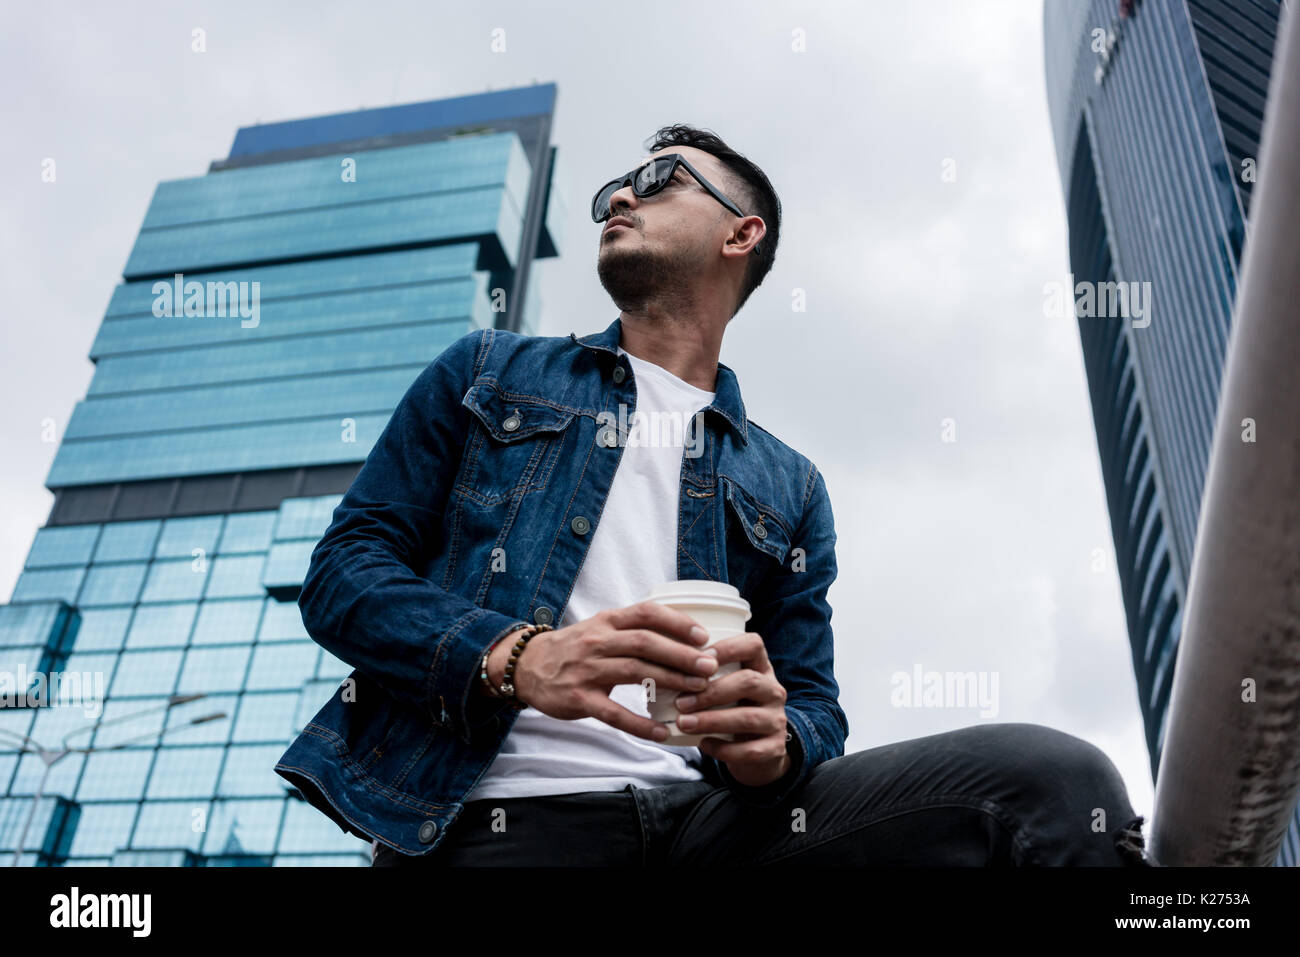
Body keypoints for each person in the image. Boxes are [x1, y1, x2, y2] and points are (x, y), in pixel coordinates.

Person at [275, 124, 1151, 866]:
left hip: (718, 829)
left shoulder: (789, 484)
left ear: (742, 234)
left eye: (657, 181)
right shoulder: (486, 372)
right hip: (496, 825)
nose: (621, 196)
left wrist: (774, 748)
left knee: (1055, 787)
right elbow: (343, 575)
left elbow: (812, 704)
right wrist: (515, 658)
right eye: (616, 188)